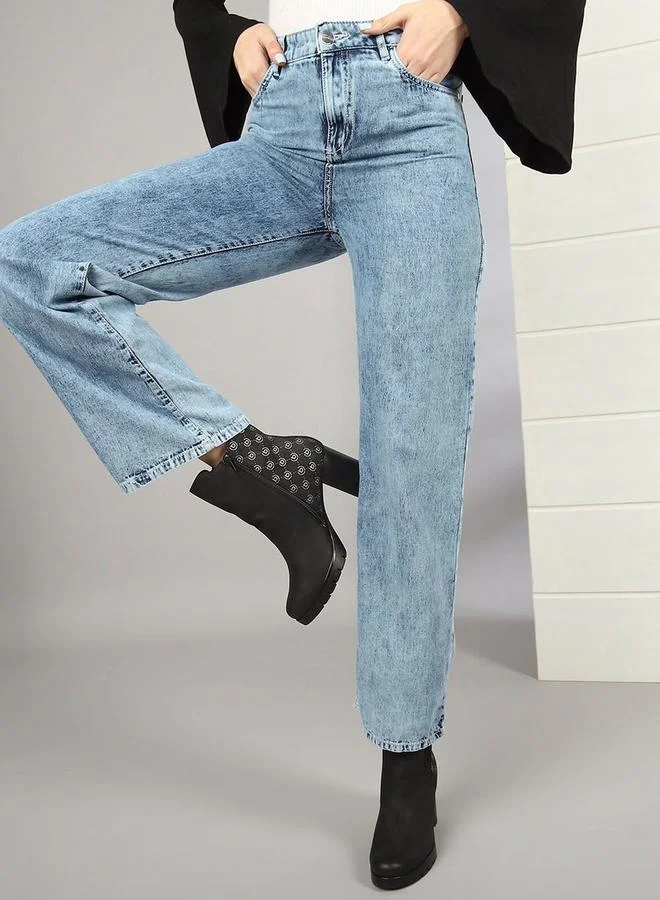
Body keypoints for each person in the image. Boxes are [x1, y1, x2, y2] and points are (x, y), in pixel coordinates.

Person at [0, 0, 587, 890]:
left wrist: (461, 12)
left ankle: (405, 758)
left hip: (409, 115)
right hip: (282, 114)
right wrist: (224, 32)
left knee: (414, 448)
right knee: (32, 263)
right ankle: (249, 463)